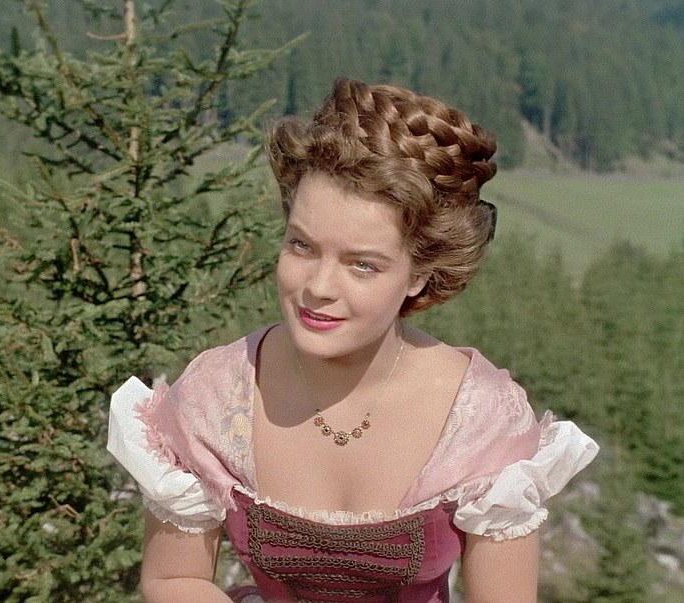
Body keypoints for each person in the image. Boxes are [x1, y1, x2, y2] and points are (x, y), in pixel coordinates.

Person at [107, 78, 599, 602]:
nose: (318, 288)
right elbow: (174, 579)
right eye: (301, 246)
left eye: (362, 265)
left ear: (419, 275)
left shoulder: (480, 416)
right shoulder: (216, 394)